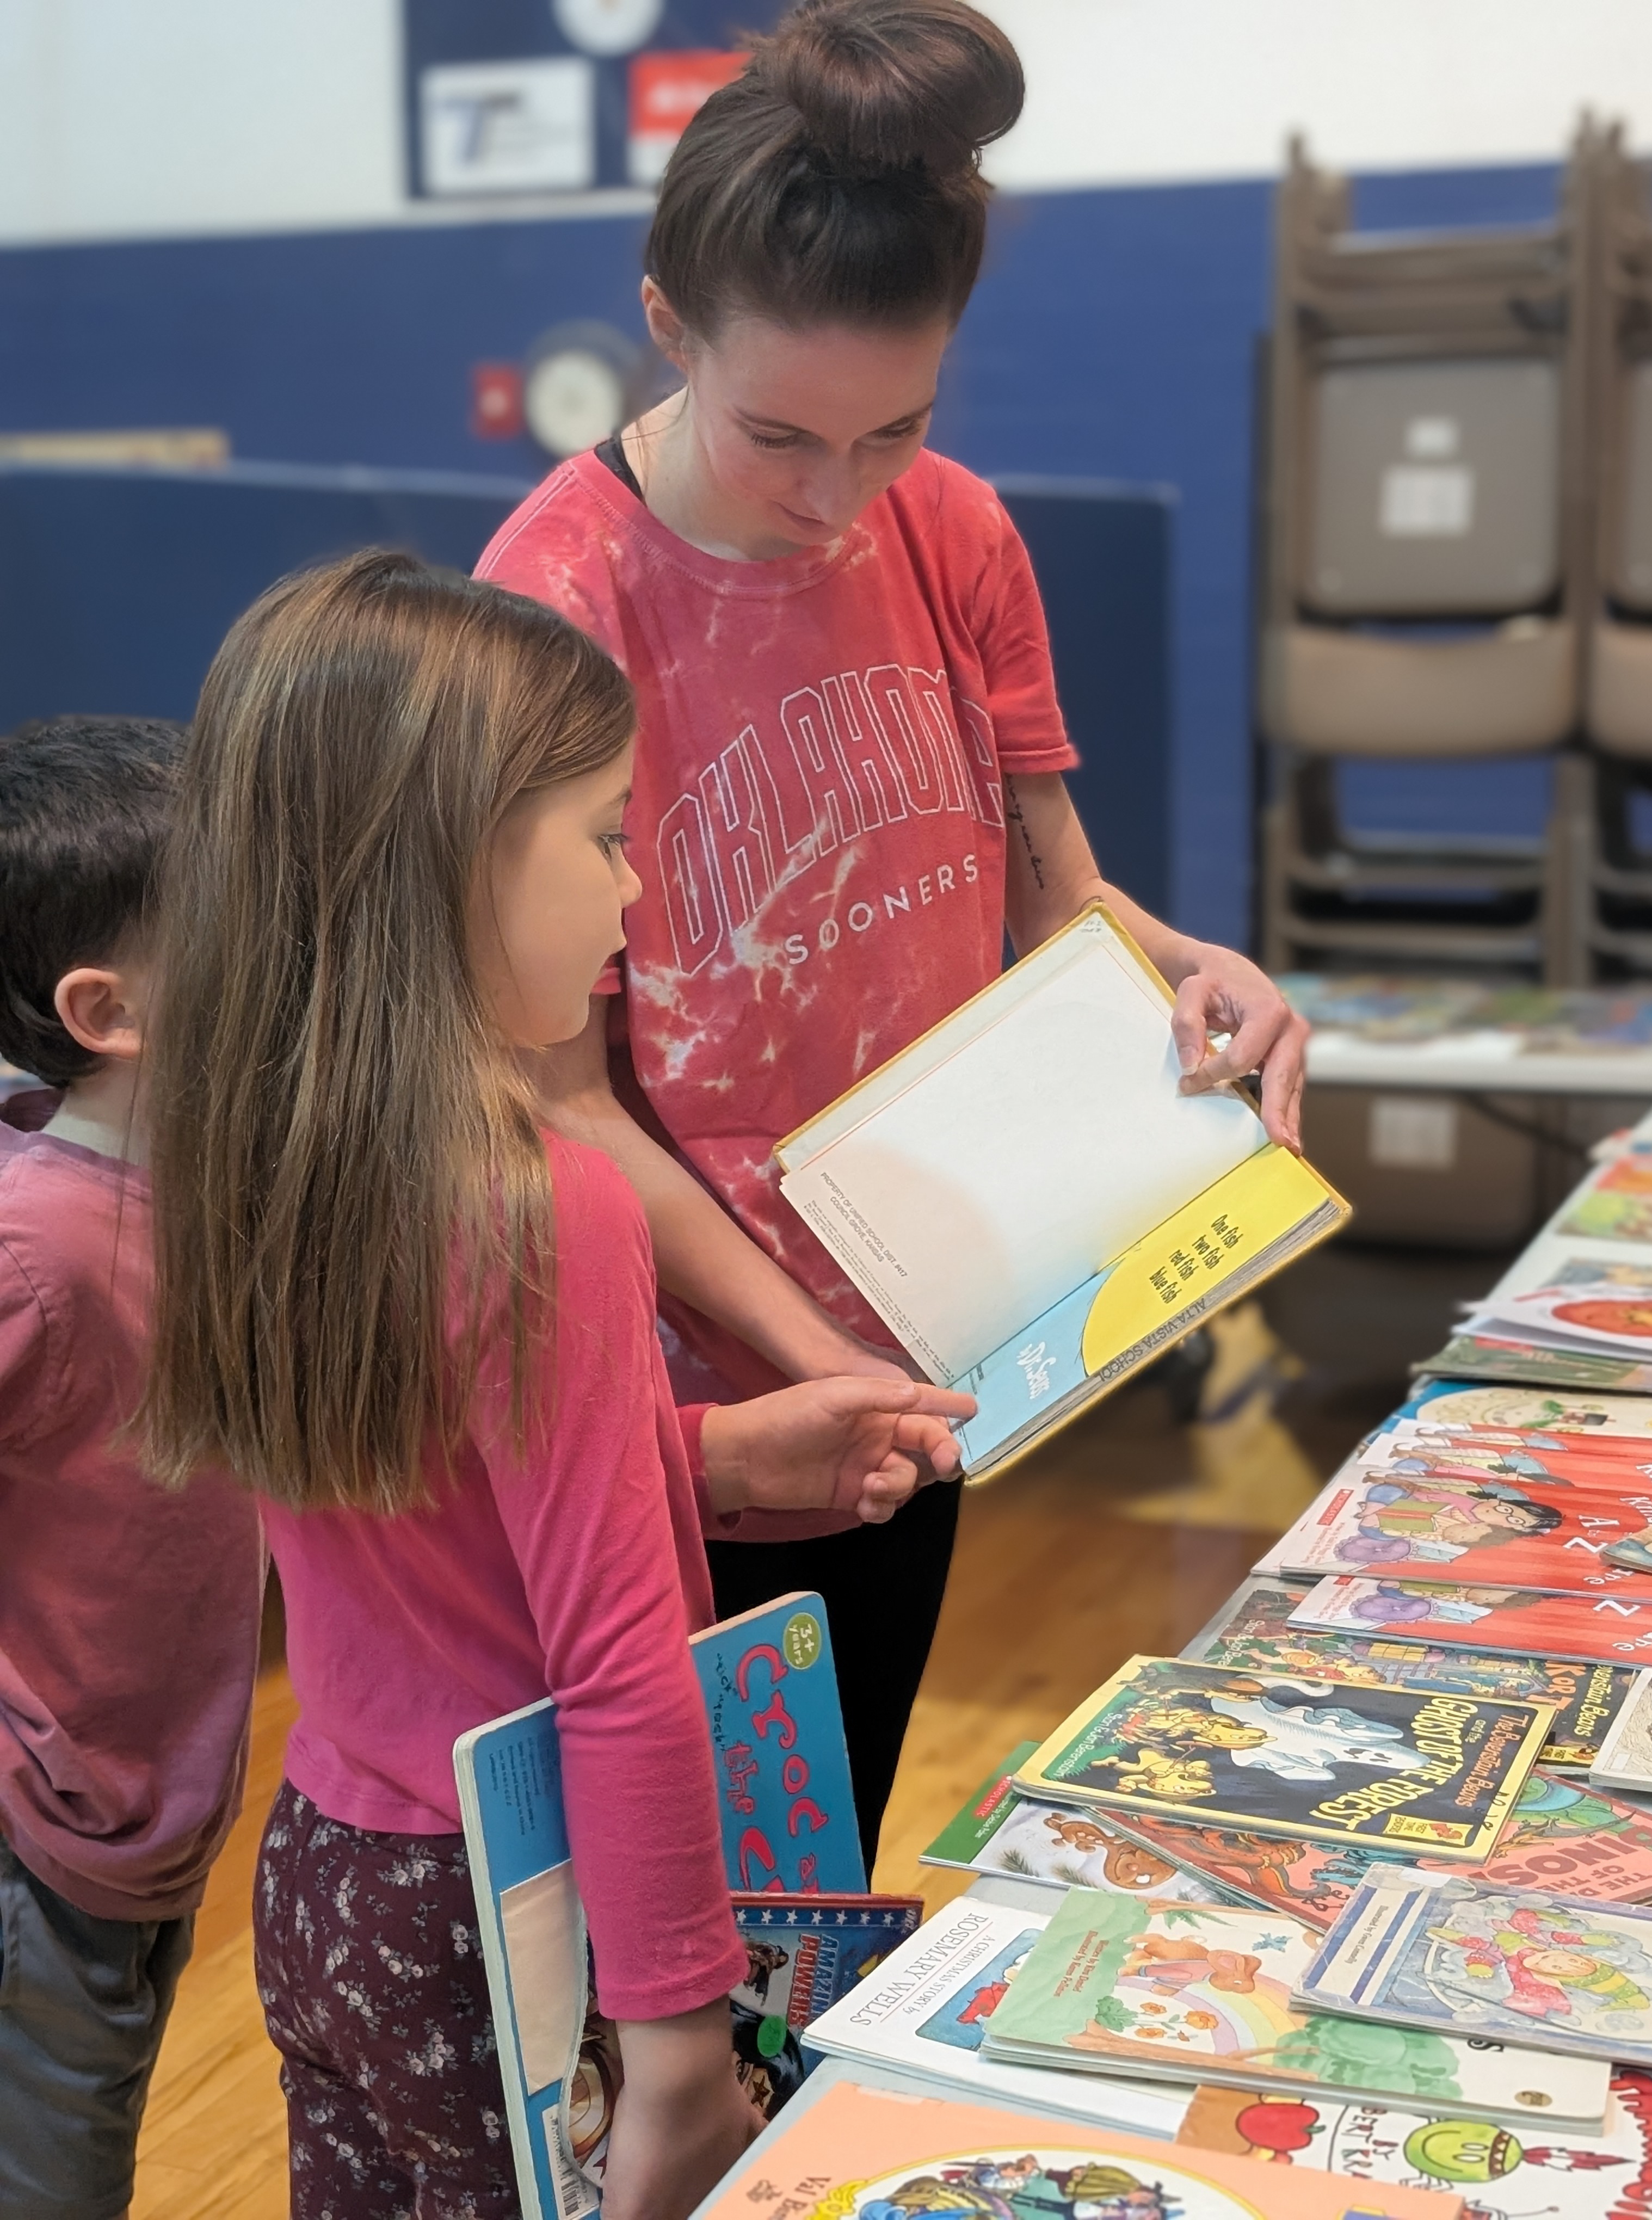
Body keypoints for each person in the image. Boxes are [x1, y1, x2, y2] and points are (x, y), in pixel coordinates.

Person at [476, 0, 1311, 1865]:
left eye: (898, 428)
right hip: (694, 1407)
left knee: (822, 1868)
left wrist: (1190, 971)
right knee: (669, 1945)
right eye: (783, 434)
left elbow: (1050, 892)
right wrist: (807, 1361)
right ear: (670, 324)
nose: (840, 495)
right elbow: (563, 1093)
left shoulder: (960, 534)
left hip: (928, 1347)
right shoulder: (556, 598)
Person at [138, 551, 971, 2220]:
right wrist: (672, 2048)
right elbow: (615, 1671)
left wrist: (713, 1456)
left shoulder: (245, 1144)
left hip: (329, 1883)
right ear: (449, 864)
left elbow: (416, 1487)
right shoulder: (547, 1206)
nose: (635, 892)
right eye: (602, 835)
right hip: (510, 1917)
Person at [0, 716, 267, 2220]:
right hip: (39, 1840)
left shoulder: (190, 1188)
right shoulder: (36, 1245)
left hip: (136, 1819)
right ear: (109, 1011)